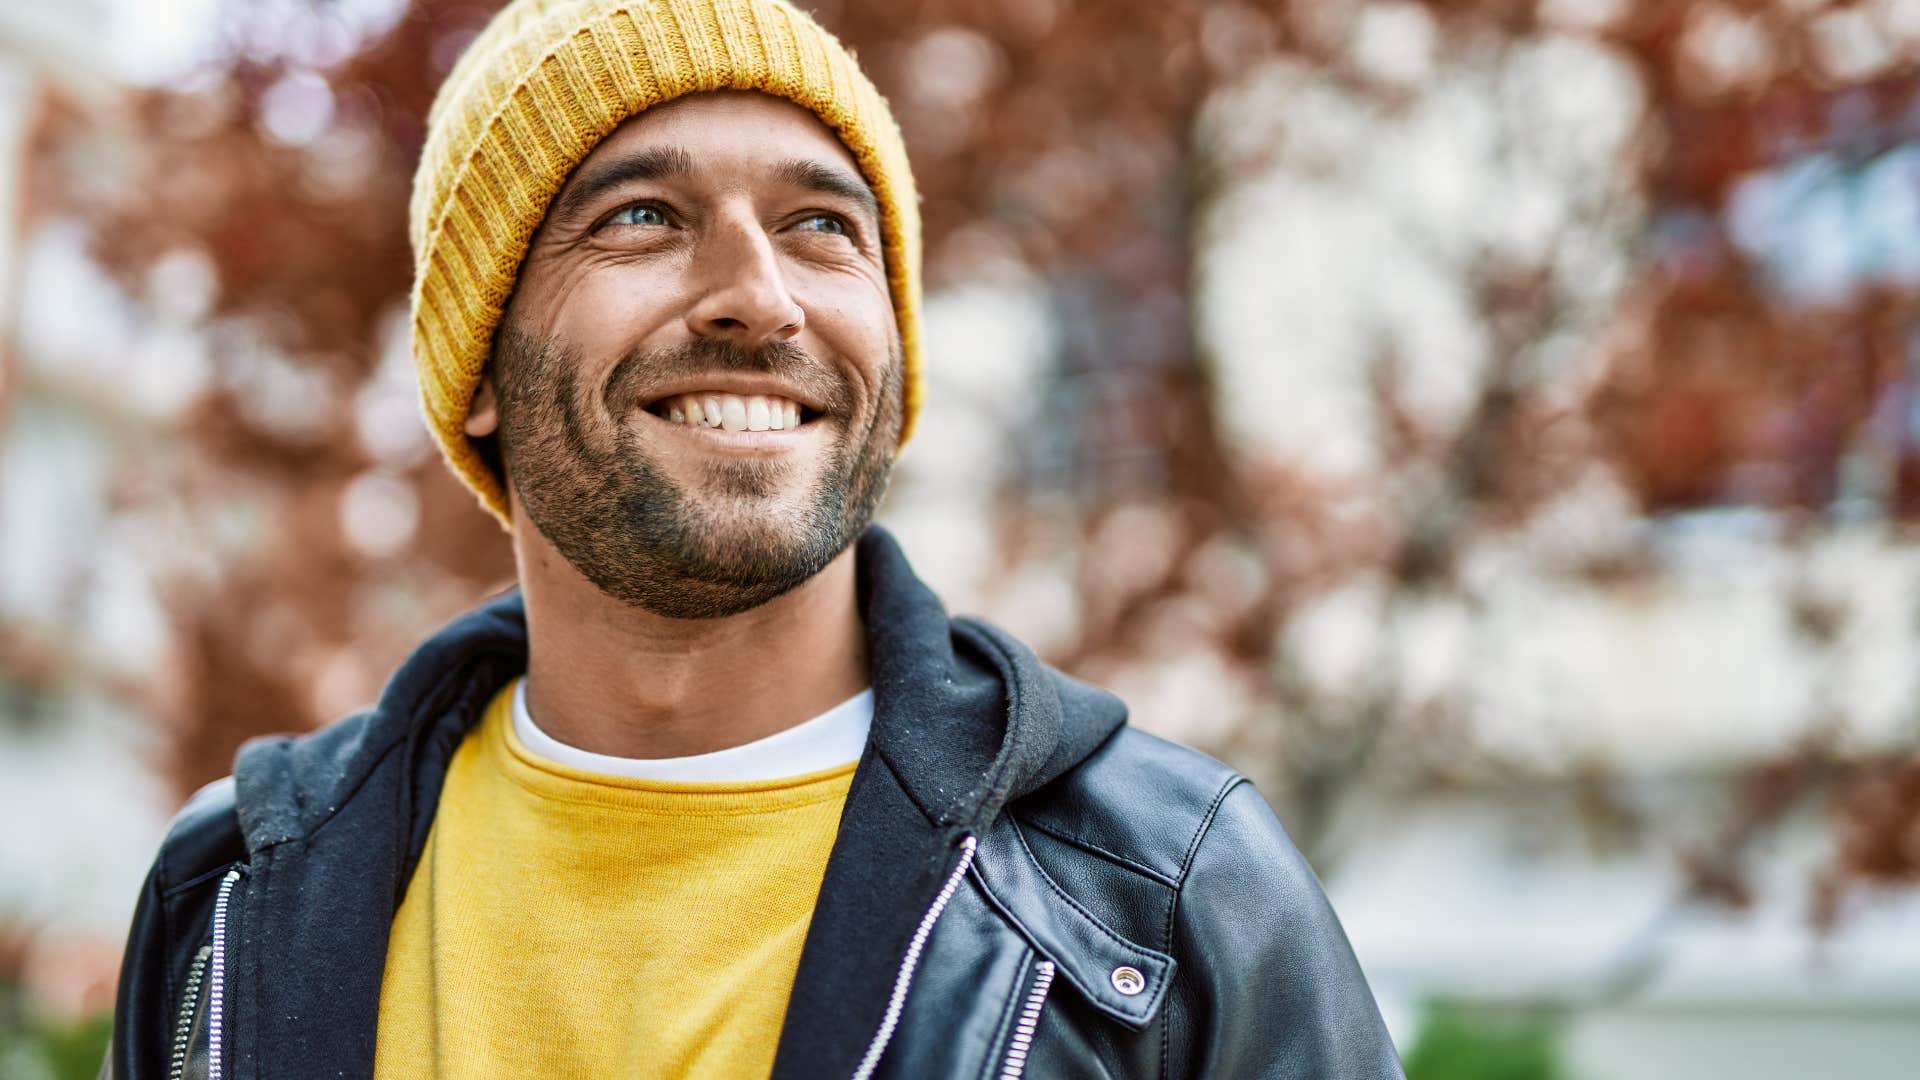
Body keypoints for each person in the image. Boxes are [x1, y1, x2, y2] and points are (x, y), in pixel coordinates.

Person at [103, 1, 1404, 1077]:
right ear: (480, 367)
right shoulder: (232, 897)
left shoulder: (1164, 897)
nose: (758, 296)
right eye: (642, 218)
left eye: (823, 228)